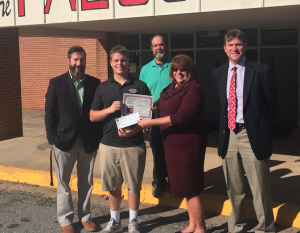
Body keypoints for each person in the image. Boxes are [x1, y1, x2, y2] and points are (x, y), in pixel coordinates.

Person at [212, 29, 278, 233]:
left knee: (259, 187)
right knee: (234, 187)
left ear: (245, 46)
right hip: (229, 134)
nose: (234, 48)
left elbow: (272, 105)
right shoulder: (218, 73)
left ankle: (264, 228)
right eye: (230, 45)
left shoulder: (261, 70)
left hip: (253, 135)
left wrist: (262, 130)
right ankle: (237, 226)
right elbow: (221, 104)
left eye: (238, 44)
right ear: (224, 48)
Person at [138, 54, 207, 233]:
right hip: (172, 145)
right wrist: (150, 109)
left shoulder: (194, 89)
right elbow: (159, 106)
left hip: (188, 145)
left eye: (182, 69)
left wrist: (150, 122)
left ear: (189, 70)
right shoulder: (171, 88)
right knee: (183, 185)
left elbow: (182, 117)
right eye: (175, 69)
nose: (178, 72)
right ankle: (192, 224)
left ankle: (200, 228)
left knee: (191, 187)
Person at [90, 45, 151, 233]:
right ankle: (115, 221)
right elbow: (92, 116)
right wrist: (109, 109)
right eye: (116, 60)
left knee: (133, 185)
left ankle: (133, 222)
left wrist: (134, 131)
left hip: (133, 144)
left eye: (123, 60)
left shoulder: (139, 85)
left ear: (128, 62)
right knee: (113, 184)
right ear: (110, 63)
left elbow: (148, 118)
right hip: (109, 144)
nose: (120, 63)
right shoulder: (103, 87)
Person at [45, 46, 102, 233]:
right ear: (69, 60)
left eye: (81, 60)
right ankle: (65, 220)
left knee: (86, 181)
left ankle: (85, 217)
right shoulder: (56, 83)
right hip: (64, 141)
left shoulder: (95, 83)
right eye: (75, 59)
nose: (78, 63)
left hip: (88, 141)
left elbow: (99, 111)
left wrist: (98, 136)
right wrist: (52, 137)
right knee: (64, 183)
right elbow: (50, 113)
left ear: (85, 61)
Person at [139, 34, 172, 198]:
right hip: (153, 119)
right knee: (158, 153)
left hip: (172, 118)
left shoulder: (175, 65)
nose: (158, 48)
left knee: (173, 152)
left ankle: (174, 182)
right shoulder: (145, 69)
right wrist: (142, 120)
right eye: (155, 45)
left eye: (161, 44)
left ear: (166, 46)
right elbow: (141, 95)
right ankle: (159, 183)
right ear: (151, 48)